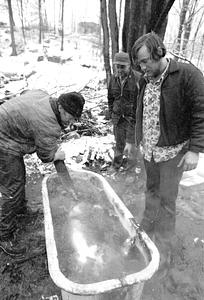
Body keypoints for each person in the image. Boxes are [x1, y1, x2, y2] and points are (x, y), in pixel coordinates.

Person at [131, 32, 204, 256]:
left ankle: (164, 248)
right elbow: (142, 112)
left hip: (173, 154)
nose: (142, 67)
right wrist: (137, 140)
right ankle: (146, 232)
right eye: (139, 63)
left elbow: (201, 112)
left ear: (159, 52)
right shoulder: (146, 79)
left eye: (145, 61)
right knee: (151, 191)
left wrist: (195, 150)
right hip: (150, 152)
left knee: (167, 200)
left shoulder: (187, 75)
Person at [0, 89, 85, 253]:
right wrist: (57, 154)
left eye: (75, 118)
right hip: (3, 141)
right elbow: (46, 156)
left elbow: (27, 92)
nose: (71, 122)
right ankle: (4, 236)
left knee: (17, 180)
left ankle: (19, 210)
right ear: (60, 107)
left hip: (7, 130)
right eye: (69, 116)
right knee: (13, 187)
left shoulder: (44, 97)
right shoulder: (48, 123)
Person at [107, 51, 140, 171]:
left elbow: (140, 102)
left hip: (132, 119)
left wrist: (136, 119)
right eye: (118, 66)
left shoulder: (138, 79)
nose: (120, 69)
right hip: (118, 119)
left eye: (123, 67)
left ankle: (130, 169)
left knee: (132, 146)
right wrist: (112, 113)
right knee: (119, 143)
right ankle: (116, 166)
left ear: (129, 65)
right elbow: (110, 98)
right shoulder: (113, 78)